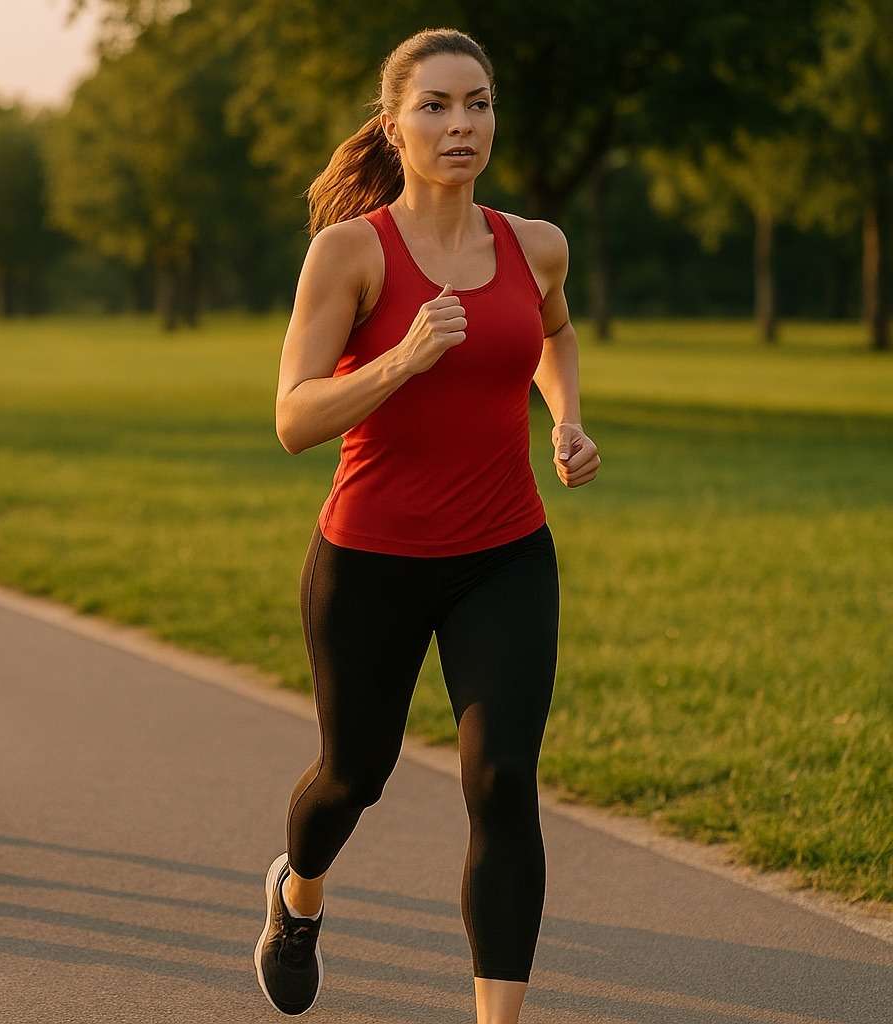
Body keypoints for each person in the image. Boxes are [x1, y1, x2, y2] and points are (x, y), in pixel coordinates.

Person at [253, 29, 601, 1023]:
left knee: (501, 782)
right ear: (395, 125)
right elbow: (292, 419)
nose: (462, 125)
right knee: (351, 776)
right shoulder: (351, 253)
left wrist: (566, 417)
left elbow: (555, 331)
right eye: (438, 106)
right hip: (369, 561)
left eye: (478, 104)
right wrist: (401, 359)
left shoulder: (535, 244)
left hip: (504, 554)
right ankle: (298, 893)